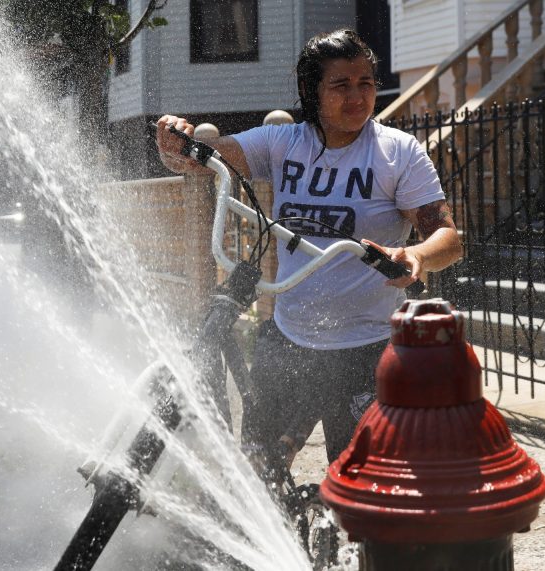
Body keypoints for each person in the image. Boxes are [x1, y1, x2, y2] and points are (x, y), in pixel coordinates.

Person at [153, 29, 463, 475]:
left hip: (367, 348)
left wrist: (415, 256)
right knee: (261, 469)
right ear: (310, 92)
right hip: (288, 338)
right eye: (341, 85)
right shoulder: (284, 143)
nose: (357, 96)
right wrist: (177, 144)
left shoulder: (397, 152)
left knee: (362, 483)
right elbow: (208, 159)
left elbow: (447, 237)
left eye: (366, 83)